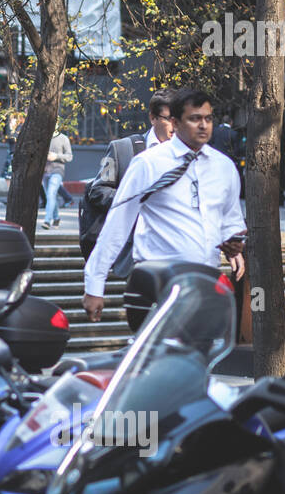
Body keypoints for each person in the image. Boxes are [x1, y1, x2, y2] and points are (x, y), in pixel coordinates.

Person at [82, 88, 246, 321]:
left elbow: (231, 219)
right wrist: (95, 285)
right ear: (176, 122)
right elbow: (116, 225)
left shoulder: (224, 167)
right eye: (194, 119)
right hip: (156, 282)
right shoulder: (148, 163)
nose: (203, 125)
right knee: (157, 355)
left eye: (208, 119)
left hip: (206, 282)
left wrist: (233, 242)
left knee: (202, 354)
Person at [78, 90, 176, 261]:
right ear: (153, 118)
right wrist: (135, 201)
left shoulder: (189, 154)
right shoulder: (123, 148)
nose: (175, 126)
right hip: (131, 250)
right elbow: (98, 190)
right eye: (169, 119)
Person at [43, 127, 73, 228]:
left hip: (58, 170)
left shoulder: (63, 138)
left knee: (51, 193)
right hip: (45, 171)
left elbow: (69, 156)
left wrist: (56, 156)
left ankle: (47, 220)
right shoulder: (43, 137)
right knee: (50, 196)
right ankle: (56, 218)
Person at [3, 112, 25, 178]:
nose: (10, 121)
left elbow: (14, 139)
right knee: (8, 175)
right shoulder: (14, 129)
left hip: (15, 154)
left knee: (10, 174)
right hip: (12, 153)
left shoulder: (20, 128)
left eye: (12, 119)